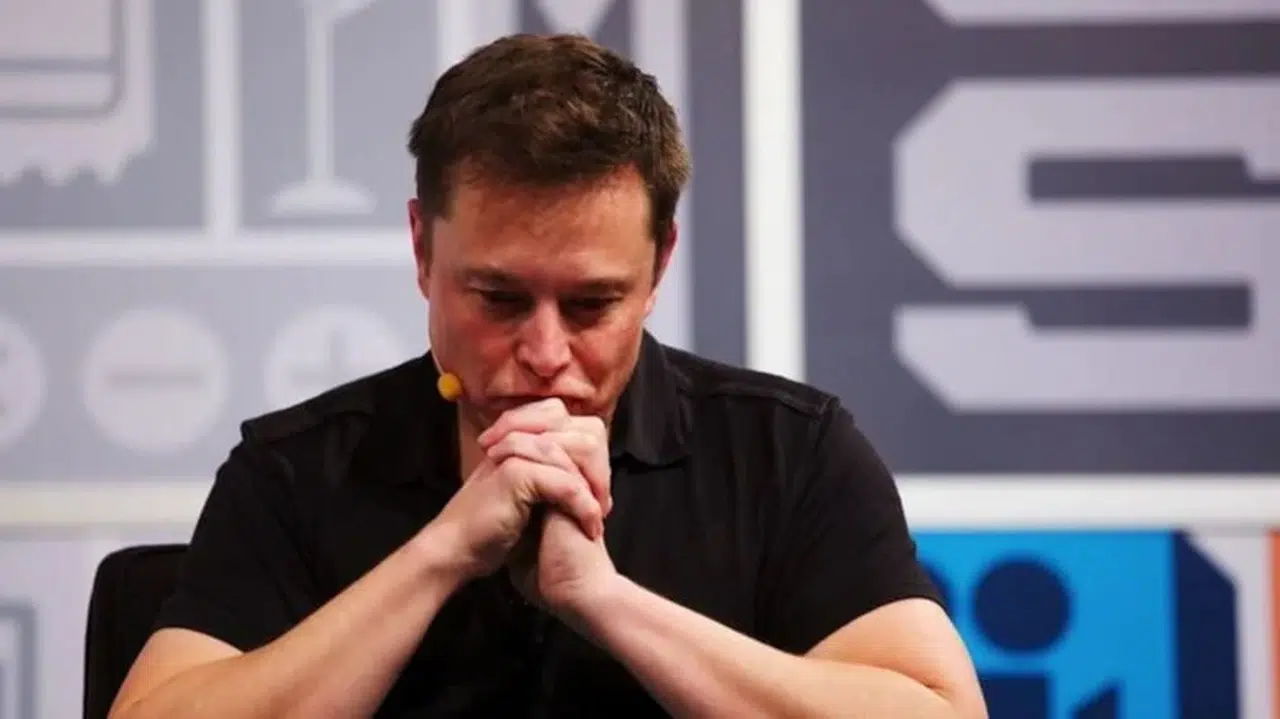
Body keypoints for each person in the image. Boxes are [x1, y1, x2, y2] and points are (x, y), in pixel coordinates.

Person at [109, 33, 986, 718]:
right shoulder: (296, 471)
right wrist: (442, 554)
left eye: (591, 303)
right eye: (498, 298)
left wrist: (602, 600)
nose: (544, 350)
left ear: (659, 264)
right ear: (422, 250)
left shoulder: (787, 454)